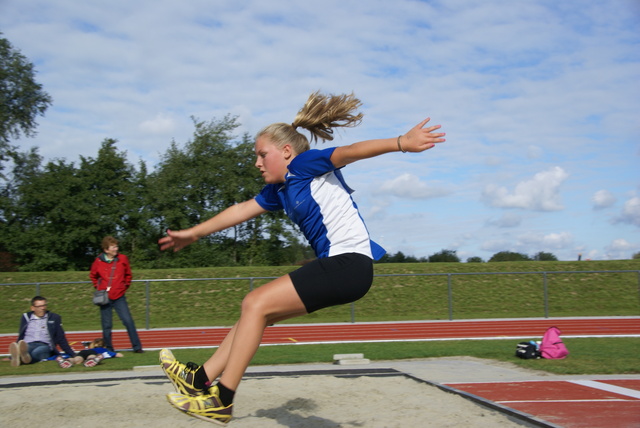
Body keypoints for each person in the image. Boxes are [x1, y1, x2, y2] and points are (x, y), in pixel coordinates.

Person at [157, 91, 445, 424]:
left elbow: (350, 152)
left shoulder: (305, 166)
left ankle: (222, 399)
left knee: (254, 303)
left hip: (348, 264)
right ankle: (199, 380)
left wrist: (400, 142)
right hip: (341, 268)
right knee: (255, 315)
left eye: (262, 154)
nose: (257, 163)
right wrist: (195, 233)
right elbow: (241, 210)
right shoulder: (279, 190)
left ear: (286, 151)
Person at [89, 236, 143, 353]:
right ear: (106, 249)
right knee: (107, 325)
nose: (116, 249)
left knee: (128, 320)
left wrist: (124, 286)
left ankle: (137, 346)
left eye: (116, 246)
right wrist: (99, 288)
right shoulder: (98, 261)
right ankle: (108, 348)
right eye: (113, 247)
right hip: (105, 297)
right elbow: (93, 276)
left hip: (119, 296)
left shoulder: (122, 259)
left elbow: (128, 275)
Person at [9, 296, 78, 368]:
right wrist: (17, 345)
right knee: (27, 350)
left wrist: (72, 354)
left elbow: (60, 337)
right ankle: (20, 356)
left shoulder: (54, 317)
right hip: (28, 343)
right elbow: (21, 334)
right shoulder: (26, 317)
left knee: (37, 353)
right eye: (39, 306)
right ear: (32, 308)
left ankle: (21, 359)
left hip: (44, 345)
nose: (43, 308)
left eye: (44, 305)